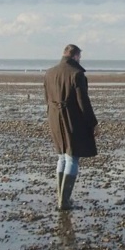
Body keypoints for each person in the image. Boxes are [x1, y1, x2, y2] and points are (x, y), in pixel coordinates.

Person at [44, 44, 97, 211]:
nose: (80, 59)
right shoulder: (77, 74)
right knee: (72, 156)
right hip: (72, 118)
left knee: (61, 156)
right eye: (79, 57)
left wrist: (51, 114)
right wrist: (93, 123)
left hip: (54, 117)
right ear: (75, 56)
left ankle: (62, 198)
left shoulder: (49, 73)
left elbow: (47, 98)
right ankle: (64, 201)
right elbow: (83, 102)